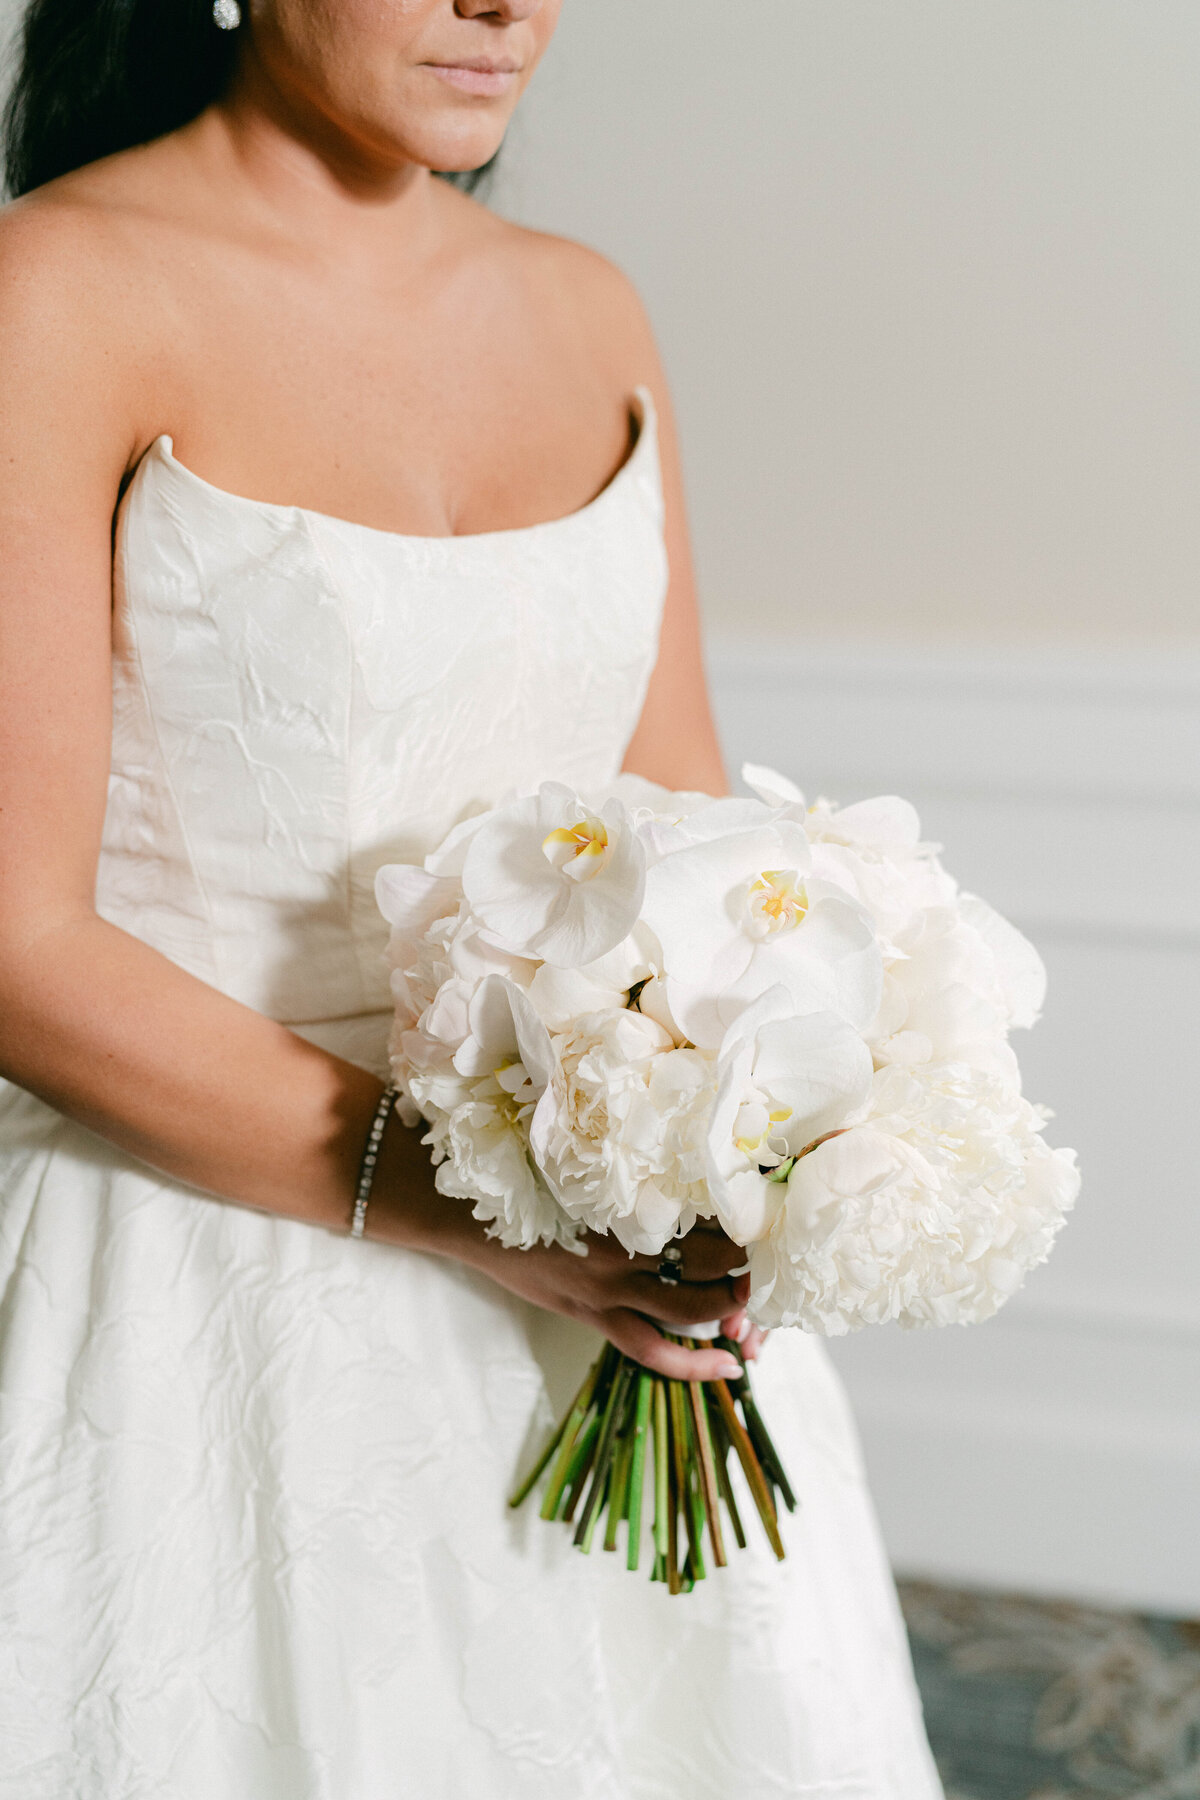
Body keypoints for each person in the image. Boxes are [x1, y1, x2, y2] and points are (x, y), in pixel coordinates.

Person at [0, 1, 943, 1793]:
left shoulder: (588, 308)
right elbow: (13, 941)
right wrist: (473, 1206)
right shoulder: (53, 291)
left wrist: (736, 1136)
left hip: (596, 1252)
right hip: (194, 1269)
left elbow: (686, 840)